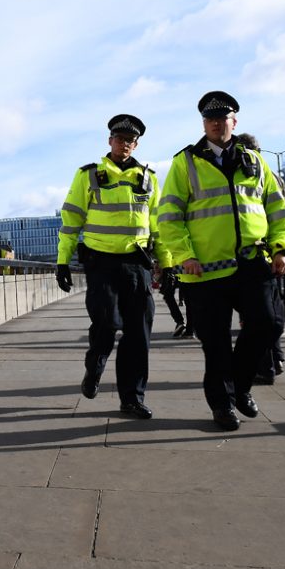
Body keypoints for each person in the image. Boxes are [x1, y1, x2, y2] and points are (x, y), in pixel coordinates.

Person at [159, 92, 285, 431]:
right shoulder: (185, 162)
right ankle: (222, 405)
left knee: (269, 324)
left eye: (224, 118)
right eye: (211, 119)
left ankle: (240, 386)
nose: (217, 123)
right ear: (204, 123)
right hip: (204, 271)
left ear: (235, 122)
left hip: (252, 262)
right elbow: (169, 216)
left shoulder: (254, 161)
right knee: (216, 343)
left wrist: (281, 248)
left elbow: (278, 209)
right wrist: (184, 256)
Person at [56, 114, 172, 419]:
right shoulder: (89, 176)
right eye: (120, 139)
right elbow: (71, 222)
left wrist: (168, 264)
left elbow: (159, 225)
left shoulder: (149, 178)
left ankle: (132, 398)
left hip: (137, 264)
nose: (125, 145)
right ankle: (95, 365)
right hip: (101, 263)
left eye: (131, 141)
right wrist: (62, 261)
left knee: (138, 334)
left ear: (136, 145)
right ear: (110, 141)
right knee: (106, 323)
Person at [235, 133, 285, 385]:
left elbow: (282, 215)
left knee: (264, 316)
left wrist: (284, 251)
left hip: (264, 257)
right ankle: (272, 360)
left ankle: (266, 363)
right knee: (267, 314)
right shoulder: (263, 174)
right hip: (264, 257)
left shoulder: (263, 174)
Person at [158, 268, 188, 338]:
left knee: (168, 295)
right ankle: (189, 328)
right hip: (181, 268)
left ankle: (180, 322)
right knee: (188, 297)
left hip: (171, 268)